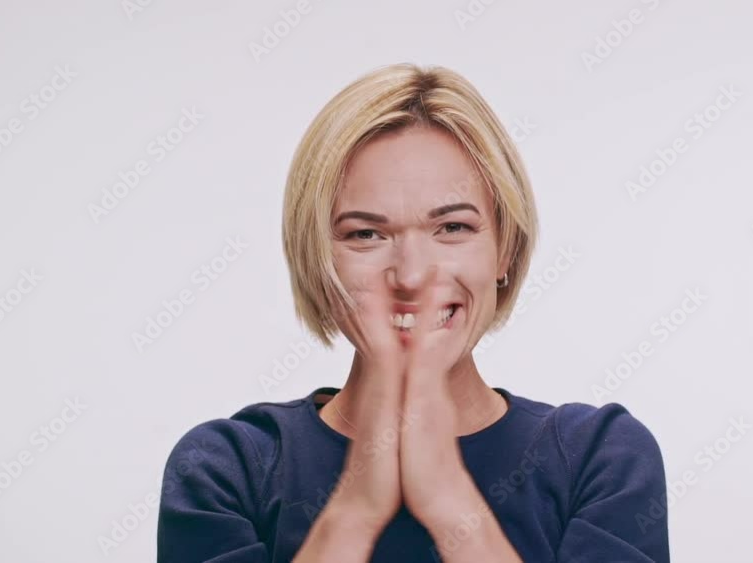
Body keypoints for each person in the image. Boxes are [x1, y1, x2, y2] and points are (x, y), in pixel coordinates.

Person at [157, 62, 670, 562]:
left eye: (452, 228)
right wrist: (355, 513)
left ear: (505, 249)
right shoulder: (227, 470)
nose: (411, 275)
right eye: (366, 234)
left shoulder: (600, 459)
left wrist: (449, 501)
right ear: (316, 259)